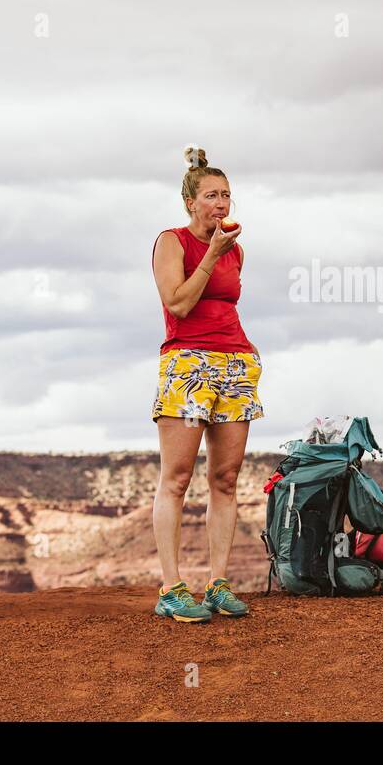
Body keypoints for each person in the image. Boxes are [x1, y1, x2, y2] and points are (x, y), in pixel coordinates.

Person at [149, 145, 263, 623]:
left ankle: (217, 581)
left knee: (226, 478)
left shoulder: (235, 249)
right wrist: (210, 253)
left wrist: (248, 356)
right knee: (177, 478)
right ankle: (172, 587)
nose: (222, 204)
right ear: (191, 202)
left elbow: (227, 303)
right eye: (212, 195)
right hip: (187, 362)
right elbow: (177, 304)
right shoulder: (172, 242)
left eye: (227, 196)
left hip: (235, 362)